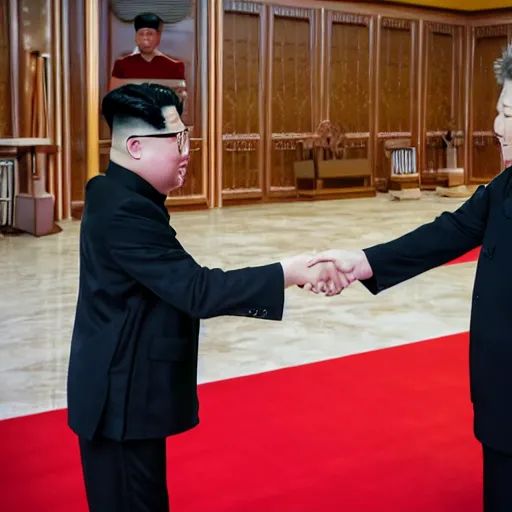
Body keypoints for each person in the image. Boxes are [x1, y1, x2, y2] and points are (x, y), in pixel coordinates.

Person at [67, 82, 342, 512]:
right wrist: (290, 270)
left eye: (186, 135)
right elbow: (197, 291)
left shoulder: (114, 191)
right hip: (119, 400)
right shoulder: (125, 209)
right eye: (176, 139)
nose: (186, 150)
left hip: (123, 388)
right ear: (136, 147)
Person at [308, 45, 512, 512]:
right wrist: (359, 261)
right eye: (498, 111)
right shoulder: (503, 186)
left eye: (508, 113)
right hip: (501, 395)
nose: (497, 126)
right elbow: (447, 233)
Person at [109, 12, 187, 109]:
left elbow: (180, 102)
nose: (146, 38)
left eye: (150, 34)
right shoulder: (121, 64)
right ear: (136, 38)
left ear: (158, 37)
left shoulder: (175, 66)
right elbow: (112, 98)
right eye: (141, 34)